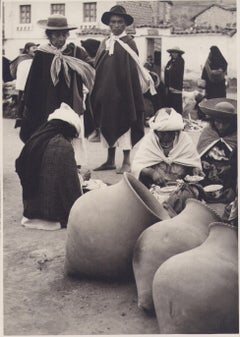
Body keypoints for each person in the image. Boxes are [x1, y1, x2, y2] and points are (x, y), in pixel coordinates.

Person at [20, 14, 95, 169]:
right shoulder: (42, 54)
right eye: (56, 35)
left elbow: (89, 68)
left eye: (63, 34)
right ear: (49, 35)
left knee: (71, 131)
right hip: (47, 102)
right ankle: (49, 162)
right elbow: (33, 82)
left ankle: (73, 164)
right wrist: (29, 105)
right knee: (49, 131)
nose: (60, 38)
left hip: (70, 100)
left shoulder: (75, 52)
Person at [90, 5, 146, 174]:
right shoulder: (104, 43)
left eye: (120, 22)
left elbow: (131, 73)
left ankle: (127, 161)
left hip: (123, 95)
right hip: (105, 95)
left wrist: (126, 93)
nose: (116, 25)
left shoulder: (129, 43)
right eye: (113, 22)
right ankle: (109, 160)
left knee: (124, 127)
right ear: (109, 24)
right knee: (107, 125)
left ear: (125, 24)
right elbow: (98, 67)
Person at [15, 103, 82, 230]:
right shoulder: (62, 145)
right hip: (52, 214)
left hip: (30, 210)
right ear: (68, 129)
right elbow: (70, 188)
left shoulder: (35, 139)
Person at [132, 107, 203, 188]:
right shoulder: (149, 140)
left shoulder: (184, 139)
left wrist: (195, 170)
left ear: (176, 131)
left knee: (193, 192)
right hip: (154, 185)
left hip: (182, 185)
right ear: (156, 131)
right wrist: (151, 173)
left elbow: (193, 162)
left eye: (170, 133)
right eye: (162, 133)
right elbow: (137, 166)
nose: (166, 136)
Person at [197, 98, 237, 202]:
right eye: (218, 122)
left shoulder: (237, 136)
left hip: (229, 174)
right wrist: (203, 162)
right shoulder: (208, 132)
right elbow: (198, 155)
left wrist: (229, 168)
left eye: (225, 123)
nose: (221, 126)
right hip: (208, 172)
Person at [164, 46, 185, 114]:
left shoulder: (180, 61)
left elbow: (177, 72)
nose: (174, 54)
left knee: (176, 102)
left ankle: (178, 116)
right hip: (169, 86)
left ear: (179, 54)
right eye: (173, 53)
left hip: (176, 86)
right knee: (170, 102)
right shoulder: (170, 62)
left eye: (176, 53)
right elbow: (167, 72)